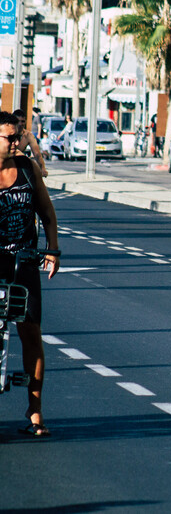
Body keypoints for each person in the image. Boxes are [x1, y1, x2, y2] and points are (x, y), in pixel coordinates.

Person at [0, 111, 60, 436]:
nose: (15, 142)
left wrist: (52, 250)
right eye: (9, 137)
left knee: (30, 334)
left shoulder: (27, 168)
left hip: (23, 262)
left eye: (17, 136)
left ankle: (34, 411)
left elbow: (47, 212)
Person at [11, 110, 47, 178]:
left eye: (22, 121)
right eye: (17, 121)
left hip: (19, 167)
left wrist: (42, 168)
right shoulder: (6, 133)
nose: (20, 124)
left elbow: (37, 154)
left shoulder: (28, 135)